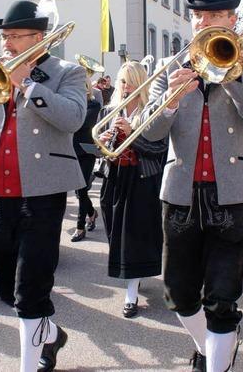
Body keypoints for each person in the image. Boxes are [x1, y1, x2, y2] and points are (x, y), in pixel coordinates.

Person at [139, 0, 243, 372]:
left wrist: (231, 76)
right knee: (178, 294)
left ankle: (217, 357)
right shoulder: (170, 65)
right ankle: (213, 346)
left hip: (233, 191)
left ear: (232, 19)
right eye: (198, 15)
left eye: (214, 14)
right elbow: (150, 131)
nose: (204, 22)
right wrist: (169, 101)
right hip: (181, 190)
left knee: (222, 297)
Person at [0, 0, 86, 372]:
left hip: (43, 193)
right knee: (7, 287)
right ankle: (51, 334)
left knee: (30, 289)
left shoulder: (66, 72)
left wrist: (26, 83)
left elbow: (73, 118)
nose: (5, 44)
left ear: (38, 37)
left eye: (12, 37)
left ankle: (28, 364)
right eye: (4, 36)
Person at [97, 61, 166, 318]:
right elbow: (100, 151)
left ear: (140, 82)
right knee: (115, 230)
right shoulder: (109, 111)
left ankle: (131, 293)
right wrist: (104, 142)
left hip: (140, 178)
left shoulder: (151, 112)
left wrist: (133, 134)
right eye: (121, 81)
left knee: (133, 236)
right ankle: (133, 277)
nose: (124, 87)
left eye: (129, 81)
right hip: (114, 177)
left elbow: (159, 150)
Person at [71, 78, 102, 242]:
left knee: (81, 189)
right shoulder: (70, 102)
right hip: (70, 151)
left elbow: (80, 124)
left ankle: (80, 226)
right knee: (78, 191)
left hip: (86, 151)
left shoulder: (93, 104)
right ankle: (91, 212)